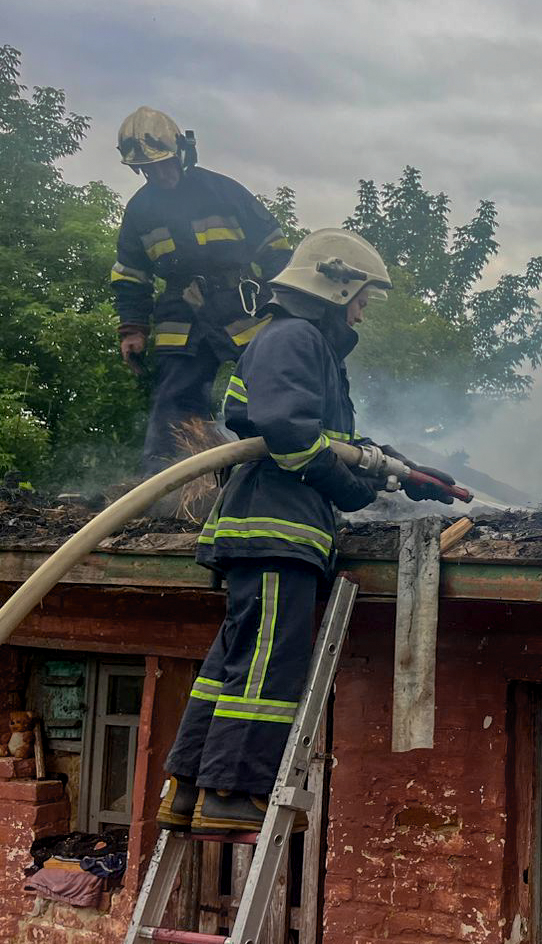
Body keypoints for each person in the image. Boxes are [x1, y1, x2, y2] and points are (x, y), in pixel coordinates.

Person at [157, 228, 456, 833]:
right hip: (276, 529)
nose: (364, 309)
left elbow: (332, 444)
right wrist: (351, 492)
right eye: (362, 295)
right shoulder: (294, 337)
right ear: (336, 284)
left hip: (269, 529)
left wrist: (402, 473)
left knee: (235, 662)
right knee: (269, 662)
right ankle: (234, 793)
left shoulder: (301, 344)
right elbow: (289, 433)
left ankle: (188, 787)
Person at [112, 106, 293, 476]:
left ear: (181, 153)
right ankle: (167, 484)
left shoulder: (223, 192)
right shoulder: (140, 211)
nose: (159, 174)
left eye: (163, 164)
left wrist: (288, 306)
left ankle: (284, 467)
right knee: (174, 400)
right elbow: (131, 274)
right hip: (180, 314)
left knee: (270, 384)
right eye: (148, 169)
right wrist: (132, 329)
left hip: (242, 305)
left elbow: (275, 248)